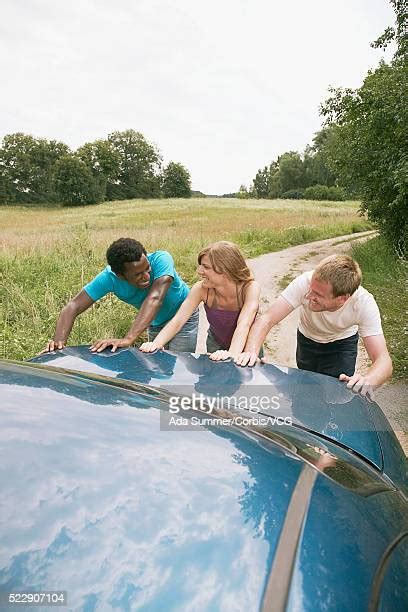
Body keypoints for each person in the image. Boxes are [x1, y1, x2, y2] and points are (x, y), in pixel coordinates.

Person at [236, 254, 392, 399]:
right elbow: (267, 319)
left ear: (343, 299)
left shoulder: (364, 304)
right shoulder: (305, 282)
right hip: (307, 340)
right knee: (305, 394)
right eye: (311, 288)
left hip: (341, 346)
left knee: (336, 397)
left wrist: (368, 380)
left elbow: (383, 360)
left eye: (318, 295)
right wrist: (251, 352)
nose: (309, 296)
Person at [40, 238, 199, 354]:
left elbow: (155, 298)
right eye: (138, 274)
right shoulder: (109, 278)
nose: (146, 277)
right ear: (120, 275)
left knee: (178, 362)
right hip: (155, 322)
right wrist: (58, 345)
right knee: (158, 366)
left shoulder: (162, 259)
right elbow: (73, 306)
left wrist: (128, 339)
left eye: (147, 269)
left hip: (184, 317)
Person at [140, 241, 260, 360]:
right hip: (216, 344)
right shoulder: (201, 288)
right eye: (201, 265)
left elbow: (244, 325)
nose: (199, 271)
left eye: (206, 267)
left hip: (247, 345)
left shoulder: (250, 288)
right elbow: (178, 320)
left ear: (226, 269)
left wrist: (232, 355)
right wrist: (156, 343)